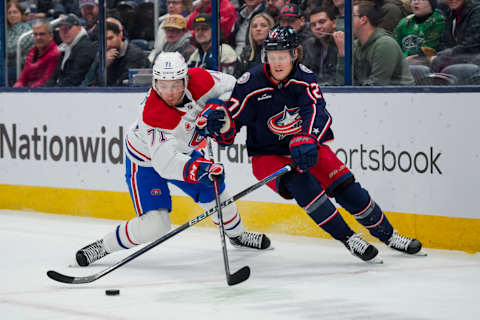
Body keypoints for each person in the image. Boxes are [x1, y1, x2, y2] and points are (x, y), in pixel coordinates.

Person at [196, 26, 423, 263]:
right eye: (272, 57)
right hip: (267, 156)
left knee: (347, 188)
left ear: (294, 55)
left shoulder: (304, 77)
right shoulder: (250, 83)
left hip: (306, 145)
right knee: (301, 184)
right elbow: (231, 126)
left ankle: (389, 235)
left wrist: (307, 137)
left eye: (283, 56)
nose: (277, 63)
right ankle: (348, 238)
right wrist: (219, 124)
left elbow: (316, 111)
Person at [75, 52, 271, 267]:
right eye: (163, 85)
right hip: (146, 162)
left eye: (175, 85)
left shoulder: (201, 79)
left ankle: (238, 236)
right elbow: (165, 164)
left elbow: (233, 88)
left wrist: (219, 108)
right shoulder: (153, 114)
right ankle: (102, 246)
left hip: (183, 151)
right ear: (155, 83)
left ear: (185, 80)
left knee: (217, 194)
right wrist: (199, 170)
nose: (169, 93)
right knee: (156, 225)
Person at [333, 0, 414, 85]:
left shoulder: (385, 44)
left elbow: (376, 86)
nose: (346, 21)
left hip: (400, 96)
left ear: (363, 20)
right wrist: (343, 55)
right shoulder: (356, 45)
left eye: (350, 16)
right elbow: (342, 84)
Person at [82, 20, 150, 86]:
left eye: (110, 38)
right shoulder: (101, 54)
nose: (108, 44)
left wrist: (107, 69)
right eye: (104, 40)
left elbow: (123, 86)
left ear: (120, 35)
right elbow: (88, 82)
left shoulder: (136, 56)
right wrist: (103, 67)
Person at [430, 0, 480, 73]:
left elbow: (473, 43)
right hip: (459, 57)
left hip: (473, 58)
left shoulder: (477, 11)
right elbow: (444, 41)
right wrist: (441, 55)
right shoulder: (450, 13)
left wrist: (447, 54)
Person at [46, 14, 96, 86]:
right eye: (61, 29)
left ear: (79, 28)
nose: (64, 32)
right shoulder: (64, 48)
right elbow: (54, 76)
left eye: (68, 28)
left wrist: (54, 90)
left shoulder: (86, 47)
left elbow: (75, 78)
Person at [394, 0, 445, 65]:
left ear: (431, 4)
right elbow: (395, 44)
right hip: (403, 60)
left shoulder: (438, 21)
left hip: (426, 60)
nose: (416, 2)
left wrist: (405, 60)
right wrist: (402, 58)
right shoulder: (404, 22)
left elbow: (430, 48)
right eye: (413, 0)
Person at [14, 18, 61, 87]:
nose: (38, 37)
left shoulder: (55, 54)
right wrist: (17, 87)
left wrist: (26, 90)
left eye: (42, 34)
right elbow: (23, 78)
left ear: (51, 36)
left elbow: (46, 81)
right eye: (35, 34)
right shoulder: (31, 52)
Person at [302, 6, 339, 84]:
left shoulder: (343, 44)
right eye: (313, 25)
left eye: (322, 22)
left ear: (334, 23)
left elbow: (339, 79)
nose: (317, 27)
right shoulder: (309, 45)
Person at [234, 12, 274, 77]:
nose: (258, 29)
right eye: (254, 26)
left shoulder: (278, 51)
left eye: (263, 25)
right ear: (251, 32)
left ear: (271, 29)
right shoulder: (245, 53)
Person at [6, 0, 34, 86]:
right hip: (7, 67)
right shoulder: (6, 29)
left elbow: (11, 51)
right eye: (9, 13)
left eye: (15, 12)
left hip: (21, 69)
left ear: (21, 14)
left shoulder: (27, 30)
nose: (12, 15)